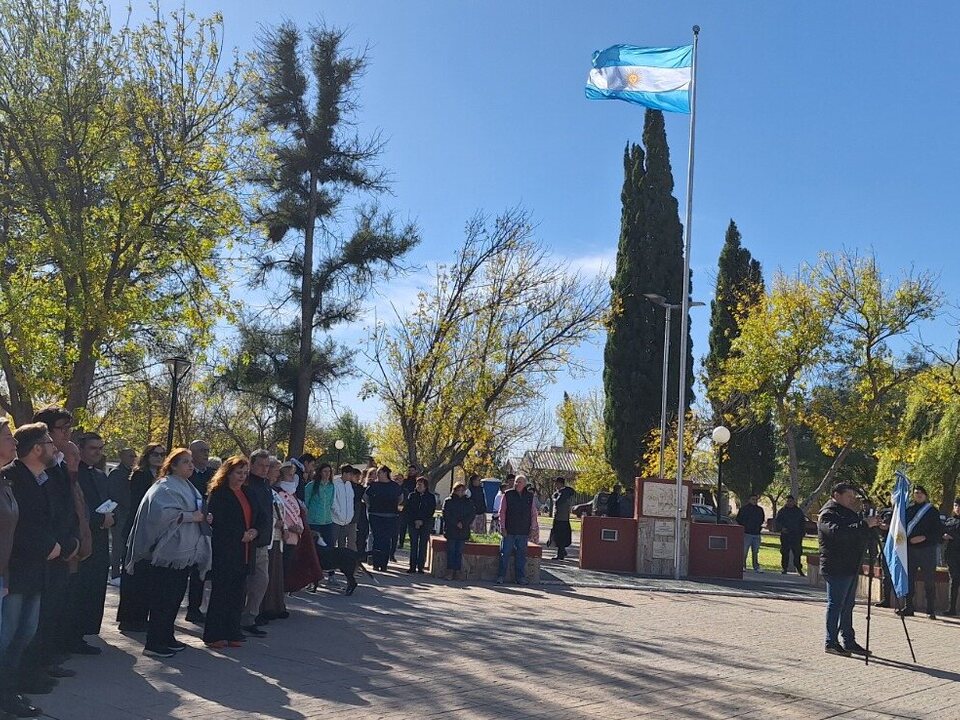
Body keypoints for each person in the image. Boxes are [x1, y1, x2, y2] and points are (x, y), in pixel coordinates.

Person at [125, 448, 211, 658]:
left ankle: (167, 636)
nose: (191, 465)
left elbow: (197, 510)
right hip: (166, 555)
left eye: (191, 462)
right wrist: (193, 517)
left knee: (174, 599)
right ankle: (154, 643)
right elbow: (160, 515)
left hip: (184, 554)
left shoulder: (189, 486)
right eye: (185, 462)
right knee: (163, 600)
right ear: (172, 465)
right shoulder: (164, 486)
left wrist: (204, 517)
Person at [1, 423, 61, 718]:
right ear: (37, 448)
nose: (54, 448)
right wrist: (46, 546)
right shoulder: (11, 477)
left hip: (36, 572)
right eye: (50, 442)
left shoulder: (42, 477)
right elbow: (17, 526)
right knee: (8, 636)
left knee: (25, 633)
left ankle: (11, 690)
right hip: (16, 570)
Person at [817, 482, 878, 656]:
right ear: (836, 495)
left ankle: (848, 640)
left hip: (851, 565)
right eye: (849, 496)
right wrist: (864, 525)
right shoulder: (827, 514)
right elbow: (838, 534)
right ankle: (831, 641)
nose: (852, 500)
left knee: (848, 605)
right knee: (836, 604)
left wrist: (871, 527)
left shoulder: (849, 513)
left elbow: (857, 533)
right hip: (836, 566)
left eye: (853, 497)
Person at [203, 456, 255, 649]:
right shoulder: (219, 493)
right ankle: (215, 634)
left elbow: (257, 516)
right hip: (226, 549)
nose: (242, 477)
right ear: (228, 473)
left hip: (245, 548)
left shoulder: (247, 492)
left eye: (244, 473)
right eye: (238, 473)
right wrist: (239, 534)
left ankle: (233, 631)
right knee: (221, 592)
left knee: (237, 592)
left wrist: (254, 531)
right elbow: (219, 521)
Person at [69, 433, 113, 655]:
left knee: (93, 588)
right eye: (93, 448)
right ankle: (71, 636)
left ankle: (81, 633)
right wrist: (98, 519)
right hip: (84, 538)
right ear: (81, 449)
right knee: (80, 588)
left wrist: (108, 516)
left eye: (100, 448)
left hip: (100, 538)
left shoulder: (99, 475)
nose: (97, 452)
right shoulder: (75, 475)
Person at [116, 443, 165, 633]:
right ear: (147, 455)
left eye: (162, 454)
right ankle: (129, 618)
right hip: (137, 529)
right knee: (133, 573)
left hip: (154, 531)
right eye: (155, 454)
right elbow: (140, 502)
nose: (159, 457)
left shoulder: (162, 477)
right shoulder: (140, 474)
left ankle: (142, 616)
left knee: (147, 577)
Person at [240, 450, 273, 637]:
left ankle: (250, 617)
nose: (264, 469)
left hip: (263, 541)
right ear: (251, 464)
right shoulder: (247, 484)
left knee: (261, 581)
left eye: (267, 466)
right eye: (260, 465)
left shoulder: (265, 484)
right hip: (249, 540)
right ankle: (241, 618)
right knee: (247, 582)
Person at [899, 485, 943, 620]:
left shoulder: (932, 511)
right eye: (916, 493)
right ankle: (909, 607)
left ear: (926, 495)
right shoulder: (908, 510)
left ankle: (930, 609)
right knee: (909, 579)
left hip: (927, 550)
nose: (918, 495)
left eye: (921, 493)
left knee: (929, 580)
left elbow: (938, 532)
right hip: (910, 550)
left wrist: (924, 537)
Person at [185, 439, 215, 624]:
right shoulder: (187, 475)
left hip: (206, 526)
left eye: (207, 450)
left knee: (200, 570)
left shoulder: (212, 475)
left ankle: (194, 609)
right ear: (192, 453)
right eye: (202, 450)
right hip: (187, 524)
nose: (206, 453)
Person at [259, 457, 288, 623]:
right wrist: (273, 523)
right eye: (276, 469)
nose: (278, 473)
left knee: (275, 572)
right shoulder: (262, 489)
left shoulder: (274, 491)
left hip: (277, 537)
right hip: (268, 536)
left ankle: (275, 605)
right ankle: (262, 607)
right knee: (265, 573)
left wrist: (283, 527)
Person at [496, 475, 539, 585]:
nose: (517, 484)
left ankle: (520, 578)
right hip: (509, 530)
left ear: (524, 484)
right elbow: (502, 512)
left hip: (523, 531)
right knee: (504, 554)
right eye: (516, 482)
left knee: (521, 555)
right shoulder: (508, 494)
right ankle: (501, 576)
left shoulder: (530, 496)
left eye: (519, 482)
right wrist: (502, 527)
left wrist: (533, 528)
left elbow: (533, 513)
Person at [365, 466, 402, 572]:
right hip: (375, 515)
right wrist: (371, 506)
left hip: (390, 516)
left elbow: (400, 498)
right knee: (377, 539)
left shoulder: (394, 486)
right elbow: (366, 497)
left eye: (379, 472)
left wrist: (393, 505)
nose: (377, 475)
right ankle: (376, 563)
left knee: (386, 540)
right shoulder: (374, 485)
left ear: (386, 473)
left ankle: (384, 564)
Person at [106, 447, 135, 585]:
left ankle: (123, 572)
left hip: (129, 514)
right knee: (118, 545)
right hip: (120, 514)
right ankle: (115, 574)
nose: (133, 459)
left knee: (126, 545)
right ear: (122, 456)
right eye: (130, 456)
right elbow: (115, 494)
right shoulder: (117, 473)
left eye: (134, 456)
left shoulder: (132, 473)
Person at [441, 482, 474, 581]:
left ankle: (458, 571)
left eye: (462, 490)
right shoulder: (448, 501)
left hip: (463, 530)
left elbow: (471, 514)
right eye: (458, 490)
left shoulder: (468, 502)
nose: (460, 492)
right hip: (451, 530)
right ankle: (450, 571)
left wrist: (463, 523)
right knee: (451, 551)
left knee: (459, 551)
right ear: (454, 491)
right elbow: (446, 514)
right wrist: (456, 523)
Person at [405, 478, 436, 574]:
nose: (418, 486)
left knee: (422, 545)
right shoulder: (412, 496)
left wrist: (422, 521)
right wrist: (415, 520)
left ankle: (420, 566)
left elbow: (431, 510)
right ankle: (412, 566)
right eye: (417, 484)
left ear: (425, 486)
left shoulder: (430, 497)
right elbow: (408, 509)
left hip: (425, 523)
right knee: (413, 545)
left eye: (420, 485)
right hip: (413, 523)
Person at [305, 463, 335, 550]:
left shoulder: (331, 486)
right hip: (314, 521)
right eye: (325, 471)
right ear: (320, 473)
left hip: (327, 520)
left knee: (329, 545)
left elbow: (331, 501)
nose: (327, 474)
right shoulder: (311, 485)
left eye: (329, 471)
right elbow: (306, 501)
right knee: (315, 547)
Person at [775, 495, 806, 576]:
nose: (789, 503)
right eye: (788, 501)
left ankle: (799, 569)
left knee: (797, 552)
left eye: (791, 501)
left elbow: (802, 523)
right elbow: (777, 521)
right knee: (785, 552)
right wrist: (781, 528)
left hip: (796, 535)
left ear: (794, 502)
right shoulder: (782, 511)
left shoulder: (798, 511)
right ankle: (784, 568)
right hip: (786, 535)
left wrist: (802, 533)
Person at [737, 494, 766, 573]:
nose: (755, 501)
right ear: (749, 500)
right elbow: (739, 519)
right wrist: (745, 526)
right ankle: (742, 566)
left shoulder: (760, 510)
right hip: (747, 533)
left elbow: (762, 519)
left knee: (755, 551)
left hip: (756, 533)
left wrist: (758, 527)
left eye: (756, 499)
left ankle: (756, 566)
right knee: (744, 551)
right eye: (753, 499)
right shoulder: (744, 509)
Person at [331, 465, 356, 551]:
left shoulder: (349, 485)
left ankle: (340, 562)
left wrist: (350, 515)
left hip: (346, 521)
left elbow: (350, 501)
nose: (351, 476)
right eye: (350, 474)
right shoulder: (335, 484)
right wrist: (339, 513)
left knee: (342, 544)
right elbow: (333, 501)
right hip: (336, 520)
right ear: (344, 473)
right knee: (332, 542)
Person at [943, 498, 960, 616]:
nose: (958, 508)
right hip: (952, 555)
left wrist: (953, 536)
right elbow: (941, 533)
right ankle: (952, 608)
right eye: (956, 505)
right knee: (954, 581)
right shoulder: (949, 520)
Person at [551, 477, 575, 561]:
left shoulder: (563, 493)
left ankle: (560, 554)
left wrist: (554, 497)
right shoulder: (565, 492)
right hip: (563, 518)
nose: (555, 485)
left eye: (556, 483)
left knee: (559, 537)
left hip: (560, 518)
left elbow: (558, 501)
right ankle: (562, 551)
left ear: (560, 484)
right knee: (560, 537)